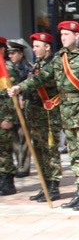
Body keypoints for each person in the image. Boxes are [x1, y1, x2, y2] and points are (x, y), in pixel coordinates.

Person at [9, 21, 79, 210]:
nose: (63, 38)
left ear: (77, 35)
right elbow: (43, 76)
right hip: (66, 112)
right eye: (62, 35)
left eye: (67, 34)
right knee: (74, 155)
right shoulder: (61, 56)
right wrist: (21, 87)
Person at [24, 32, 63, 202]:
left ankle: (53, 186)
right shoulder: (37, 64)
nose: (34, 49)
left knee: (50, 150)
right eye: (33, 46)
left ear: (47, 47)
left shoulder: (53, 64)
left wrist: (19, 87)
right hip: (35, 114)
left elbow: (38, 81)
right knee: (39, 149)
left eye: (37, 46)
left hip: (48, 114)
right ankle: (45, 185)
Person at [7, 41, 32, 178]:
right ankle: (18, 164)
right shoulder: (7, 68)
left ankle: (24, 167)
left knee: (23, 137)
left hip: (23, 107)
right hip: (10, 108)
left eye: (13, 53)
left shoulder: (28, 68)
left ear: (20, 54)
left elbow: (30, 86)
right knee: (14, 139)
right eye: (9, 53)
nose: (11, 56)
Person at [0, 37, 20, 196]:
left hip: (3, 115)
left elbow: (10, 97)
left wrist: (8, 118)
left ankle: (7, 182)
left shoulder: (7, 68)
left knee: (4, 150)